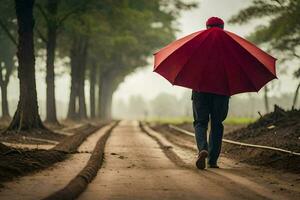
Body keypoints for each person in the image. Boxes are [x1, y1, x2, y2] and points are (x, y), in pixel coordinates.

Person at [192, 17, 230, 170]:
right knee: (217, 124)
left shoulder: (196, 42)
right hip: (221, 91)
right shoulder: (231, 44)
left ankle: (203, 148)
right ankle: (213, 160)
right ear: (222, 27)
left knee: (200, 122)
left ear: (206, 26)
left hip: (200, 90)